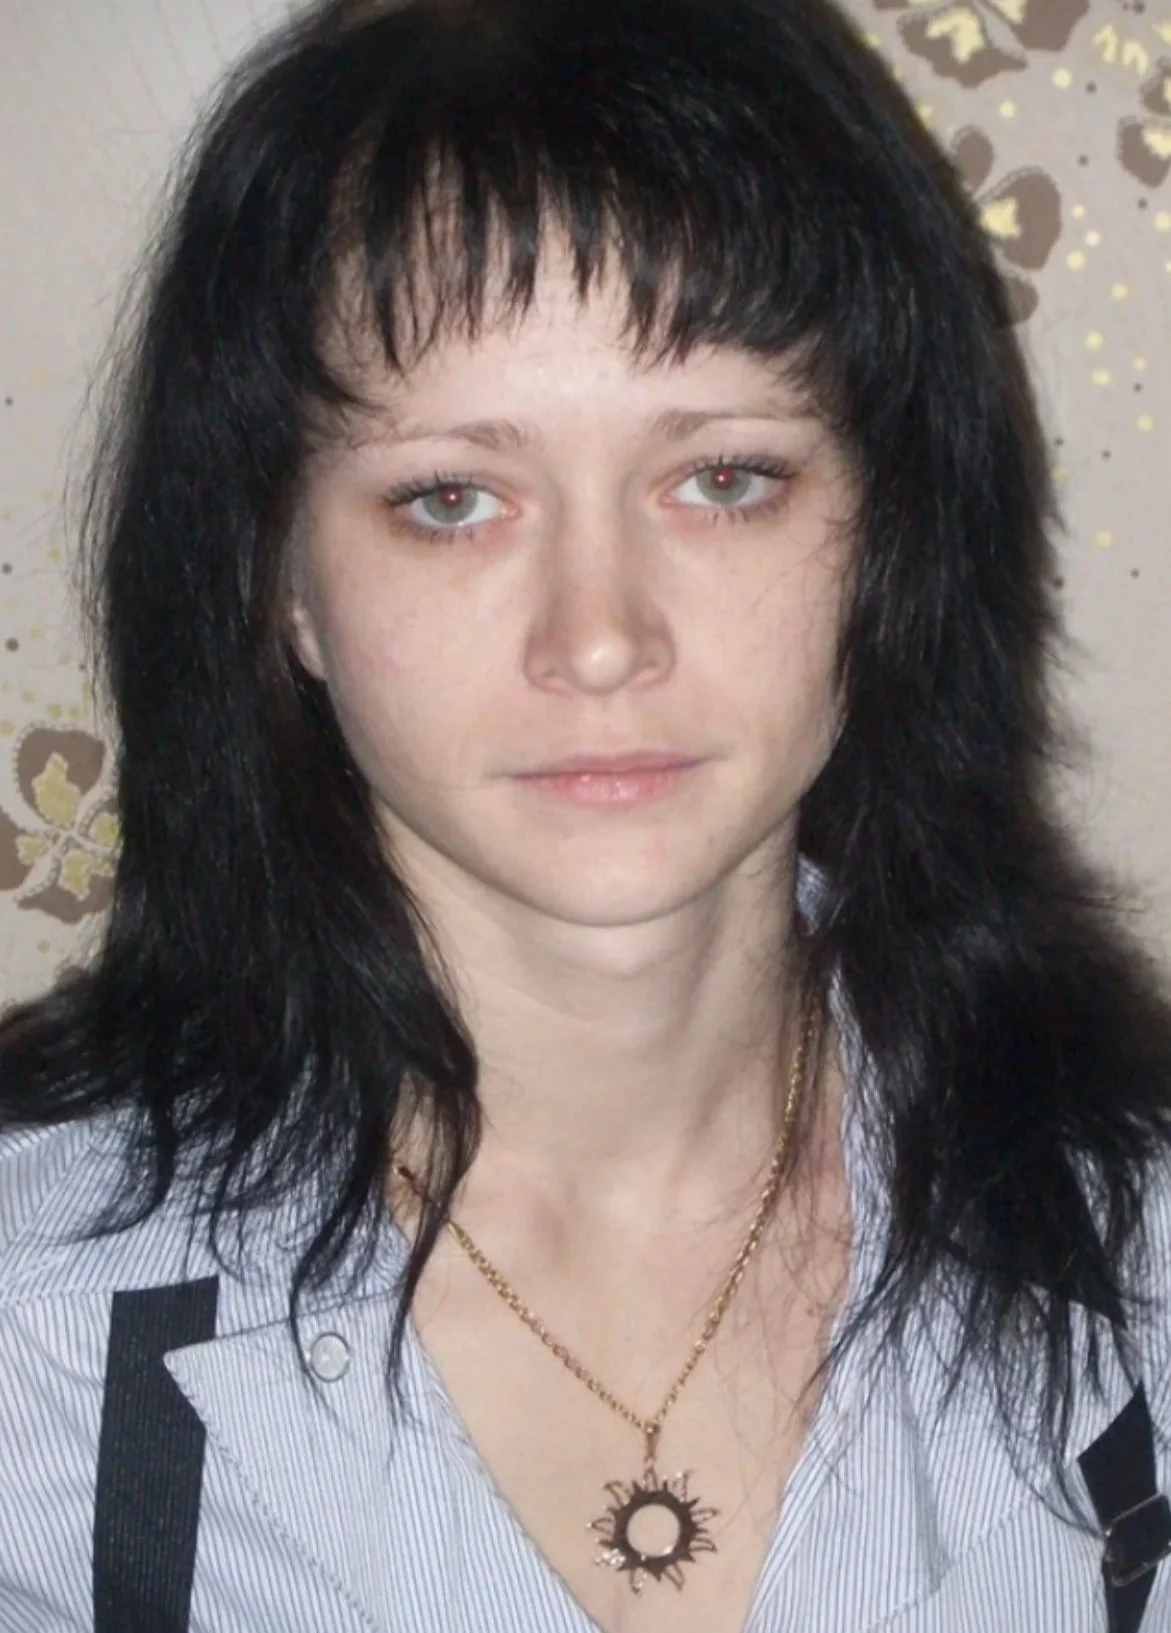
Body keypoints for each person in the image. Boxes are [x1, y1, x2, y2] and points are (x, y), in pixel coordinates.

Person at [1, 0, 1169, 1628]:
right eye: (449, 500)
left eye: (724, 478)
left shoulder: (1137, 1254)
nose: (600, 639)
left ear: (892, 533)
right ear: (280, 585)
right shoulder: (34, 1329)